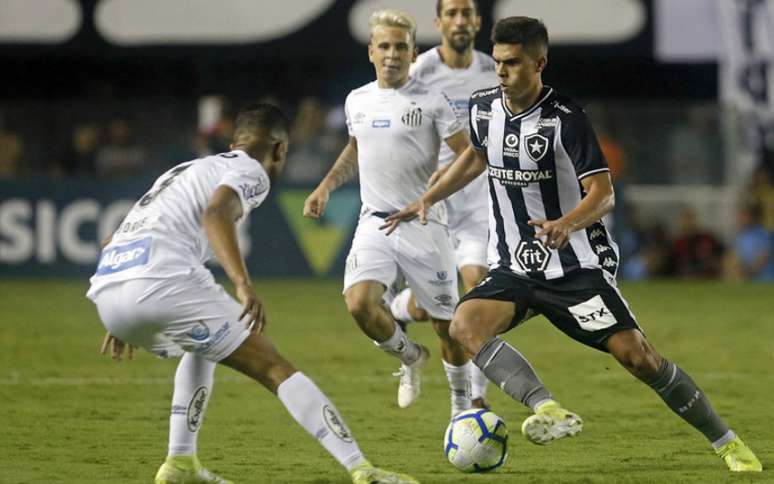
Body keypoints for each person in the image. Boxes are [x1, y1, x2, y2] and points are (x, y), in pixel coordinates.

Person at [382, 17, 762, 472]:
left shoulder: (566, 118)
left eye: (513, 63)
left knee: (639, 358)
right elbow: (476, 156)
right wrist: (427, 197)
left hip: (576, 268)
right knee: (465, 326)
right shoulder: (484, 107)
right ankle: (548, 409)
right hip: (516, 267)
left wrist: (565, 223)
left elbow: (603, 193)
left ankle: (725, 440)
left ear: (540, 62)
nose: (501, 72)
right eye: (498, 62)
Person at [86, 103, 419, 484]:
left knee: (204, 345)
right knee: (274, 366)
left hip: (112, 286)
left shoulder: (184, 171)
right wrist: (243, 283)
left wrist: (123, 311)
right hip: (160, 280)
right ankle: (362, 469)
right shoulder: (251, 169)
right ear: (280, 149)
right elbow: (217, 214)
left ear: (233, 142)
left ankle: (181, 464)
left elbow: (114, 238)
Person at [303, 8, 475, 417]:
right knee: (360, 303)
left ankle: (461, 409)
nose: (392, 54)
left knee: (446, 327)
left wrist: (436, 189)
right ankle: (410, 357)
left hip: (423, 223)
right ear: (371, 52)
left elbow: (469, 152)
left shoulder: (432, 100)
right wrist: (326, 185)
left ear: (414, 53)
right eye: (385, 46)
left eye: (401, 47)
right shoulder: (357, 100)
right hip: (374, 220)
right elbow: (356, 147)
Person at [387, 0, 498, 410]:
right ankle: (399, 306)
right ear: (438, 23)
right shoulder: (420, 70)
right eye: (451, 13)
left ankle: (478, 398)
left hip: (479, 200)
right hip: (431, 201)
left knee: (479, 291)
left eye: (466, 12)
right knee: (439, 303)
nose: (460, 20)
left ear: (477, 21)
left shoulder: (492, 70)